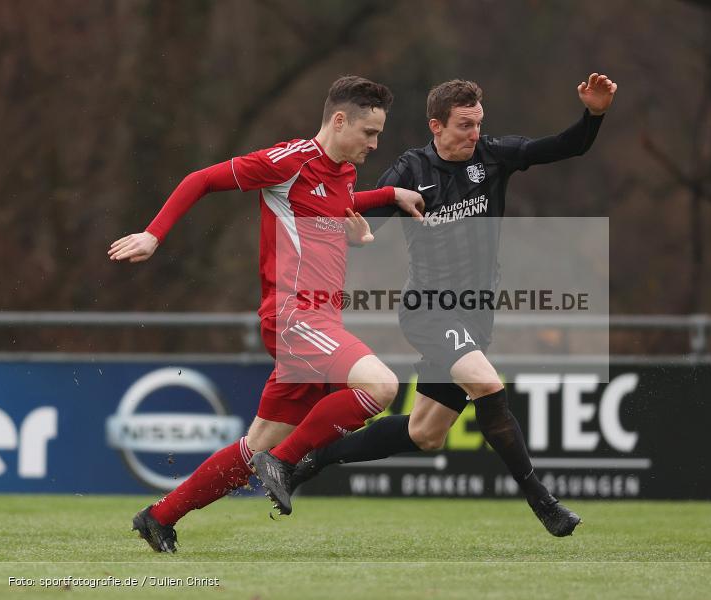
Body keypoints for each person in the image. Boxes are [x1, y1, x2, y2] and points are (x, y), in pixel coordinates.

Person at [255, 73, 617, 537]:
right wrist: (360, 236)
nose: (475, 134)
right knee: (488, 384)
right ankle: (543, 502)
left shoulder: (494, 156)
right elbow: (361, 219)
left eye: (478, 124)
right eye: (464, 125)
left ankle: (309, 462)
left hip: (476, 315)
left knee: (426, 433)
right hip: (429, 309)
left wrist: (595, 114)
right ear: (436, 126)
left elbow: (566, 146)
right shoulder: (411, 170)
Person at [109, 76, 424, 552]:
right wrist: (155, 234)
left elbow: (337, 205)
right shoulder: (288, 161)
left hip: (319, 322)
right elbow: (202, 180)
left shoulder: (342, 172)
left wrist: (389, 198)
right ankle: (288, 462)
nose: (374, 145)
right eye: (369, 133)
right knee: (380, 387)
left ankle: (159, 517)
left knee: (254, 446)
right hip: (295, 316)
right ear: (339, 121)